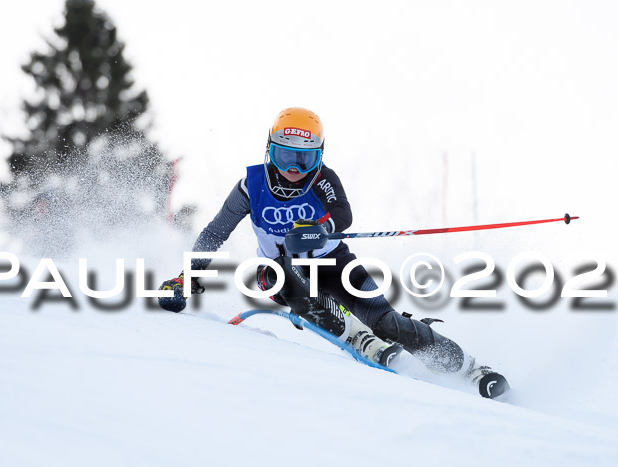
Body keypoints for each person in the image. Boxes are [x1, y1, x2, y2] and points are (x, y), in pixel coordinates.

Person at [159, 107, 509, 399]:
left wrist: (319, 229)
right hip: (283, 273)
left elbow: (343, 214)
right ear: (270, 150)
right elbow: (214, 233)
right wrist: (186, 279)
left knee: (389, 323)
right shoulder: (251, 186)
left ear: (319, 157)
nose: (294, 169)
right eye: (285, 156)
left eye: (305, 159)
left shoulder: (323, 179)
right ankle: (361, 340)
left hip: (336, 264)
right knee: (284, 272)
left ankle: (470, 369)